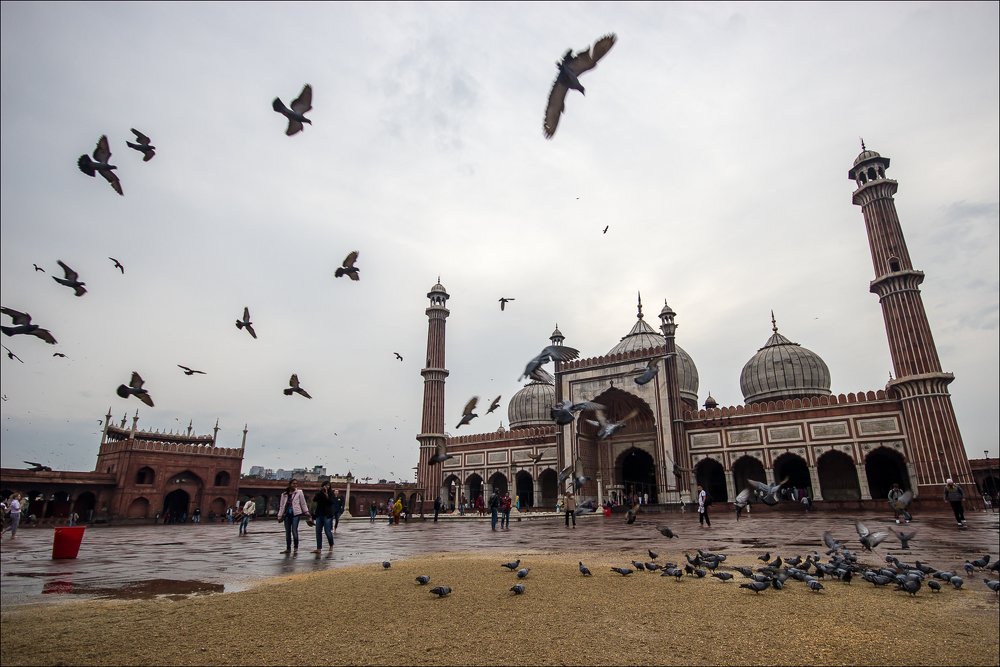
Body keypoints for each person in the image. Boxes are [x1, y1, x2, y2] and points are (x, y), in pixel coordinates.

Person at [276, 479, 311, 554]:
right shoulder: (284, 494)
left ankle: (295, 547)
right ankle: (288, 548)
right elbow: (282, 506)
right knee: (287, 532)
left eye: (296, 484)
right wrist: (279, 515)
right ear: (290, 484)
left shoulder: (299, 492)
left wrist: (307, 512)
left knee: (294, 530)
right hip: (286, 514)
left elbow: (303, 503)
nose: (295, 485)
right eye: (293, 484)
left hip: (296, 514)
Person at [312, 481, 335, 552]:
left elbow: (331, 502)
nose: (327, 487)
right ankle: (319, 548)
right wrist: (320, 492)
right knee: (318, 531)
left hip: (327, 515)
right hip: (319, 514)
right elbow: (314, 500)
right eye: (325, 485)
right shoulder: (320, 493)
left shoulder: (331, 493)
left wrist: (326, 494)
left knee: (327, 531)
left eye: (328, 486)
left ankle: (331, 545)